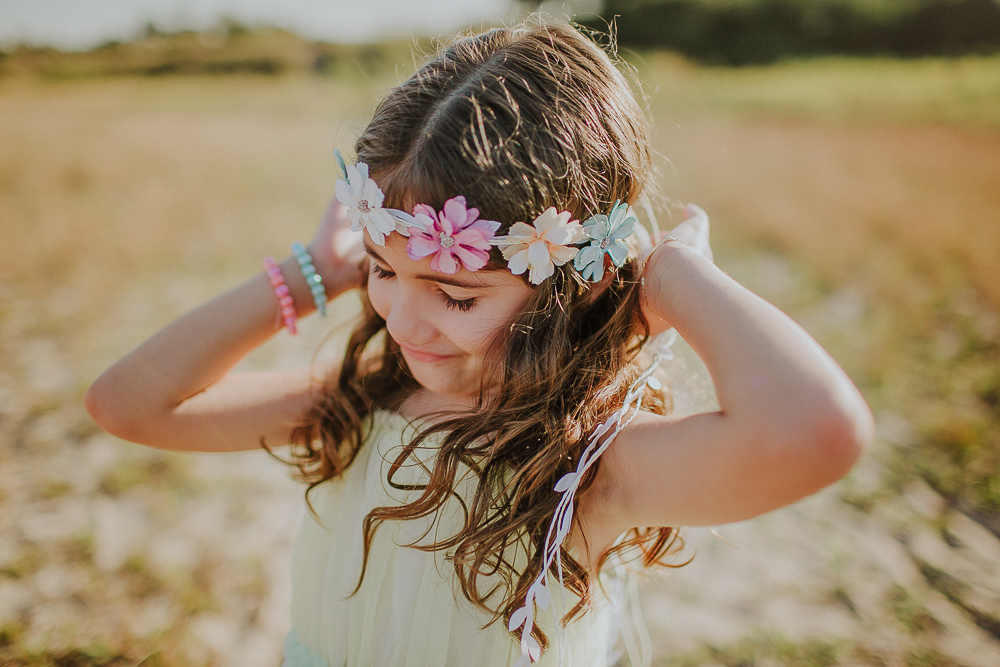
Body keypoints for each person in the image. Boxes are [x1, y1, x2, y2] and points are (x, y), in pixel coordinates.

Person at [84, 20, 874, 667]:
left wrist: (670, 277)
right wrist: (315, 271)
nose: (402, 318)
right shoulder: (362, 405)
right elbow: (128, 403)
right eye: (384, 270)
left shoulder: (588, 467)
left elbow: (818, 428)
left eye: (456, 293)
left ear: (579, 281)